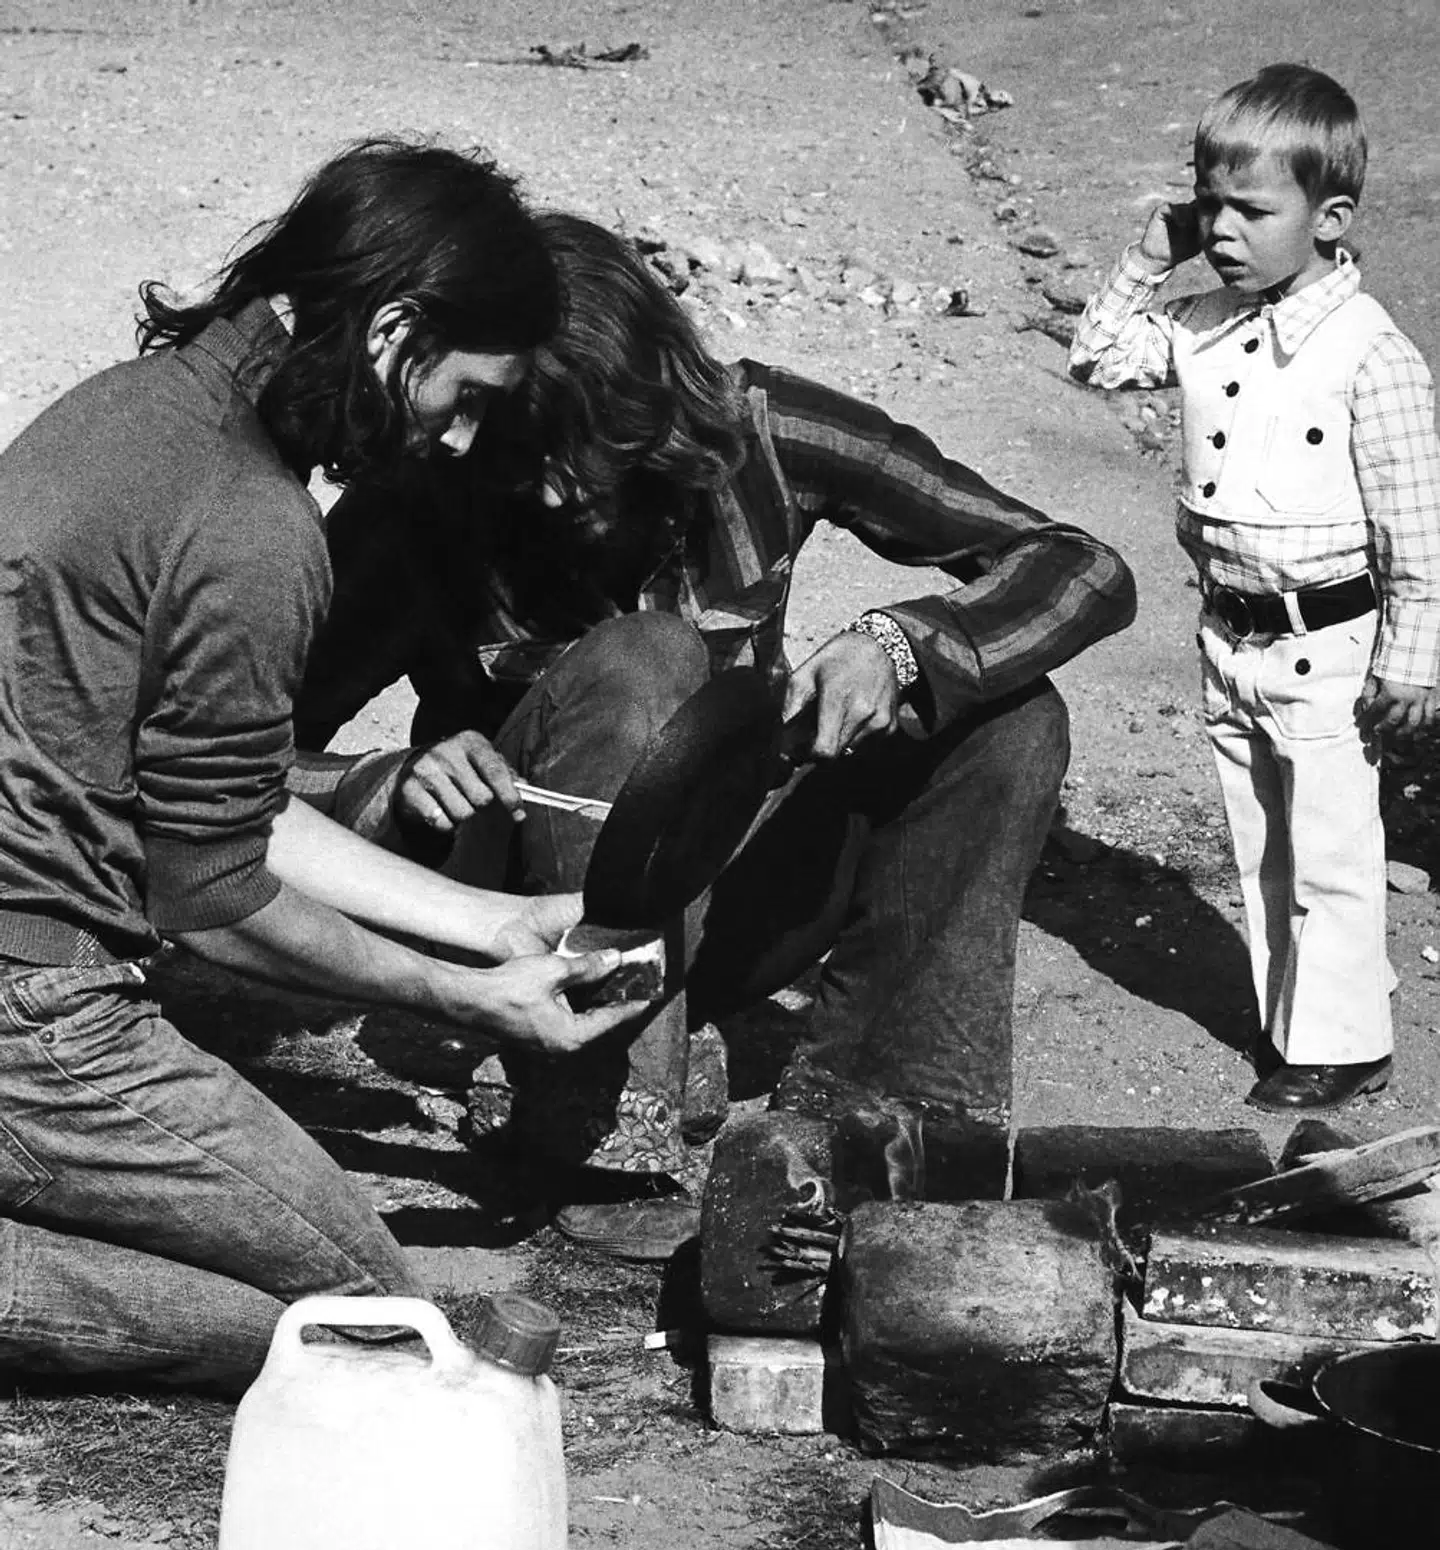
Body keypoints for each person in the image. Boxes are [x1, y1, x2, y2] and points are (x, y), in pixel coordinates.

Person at [294, 211, 1137, 1259]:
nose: (556, 488)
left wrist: (901, 642)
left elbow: (1082, 565)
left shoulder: (763, 432)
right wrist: (397, 774)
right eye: (524, 452)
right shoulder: (414, 507)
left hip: (723, 894)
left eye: (587, 451)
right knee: (647, 655)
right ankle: (604, 1124)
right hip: (519, 919)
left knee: (1007, 710)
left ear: (653, 405)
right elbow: (236, 763)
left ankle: (885, 1125)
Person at [0, 141, 645, 1390]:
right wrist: (462, 995)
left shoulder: (130, 410)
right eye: (463, 395)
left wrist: (497, 919)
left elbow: (218, 811)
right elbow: (212, 896)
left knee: (308, 1310)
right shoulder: (251, 524)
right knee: (375, 1323)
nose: (459, 442)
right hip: (36, 1020)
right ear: (395, 329)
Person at [1069, 64, 1440, 1113]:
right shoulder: (1201, 323)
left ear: (1330, 220)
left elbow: (1419, 530)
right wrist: (1149, 256)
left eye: (1249, 209)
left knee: (1328, 845)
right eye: (1209, 204)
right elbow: (1097, 358)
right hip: (1230, 632)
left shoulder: (1372, 356)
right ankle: (1294, 1024)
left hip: (1332, 643)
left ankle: (1345, 1042)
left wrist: (1416, 660)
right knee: (1260, 839)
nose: (1222, 230)